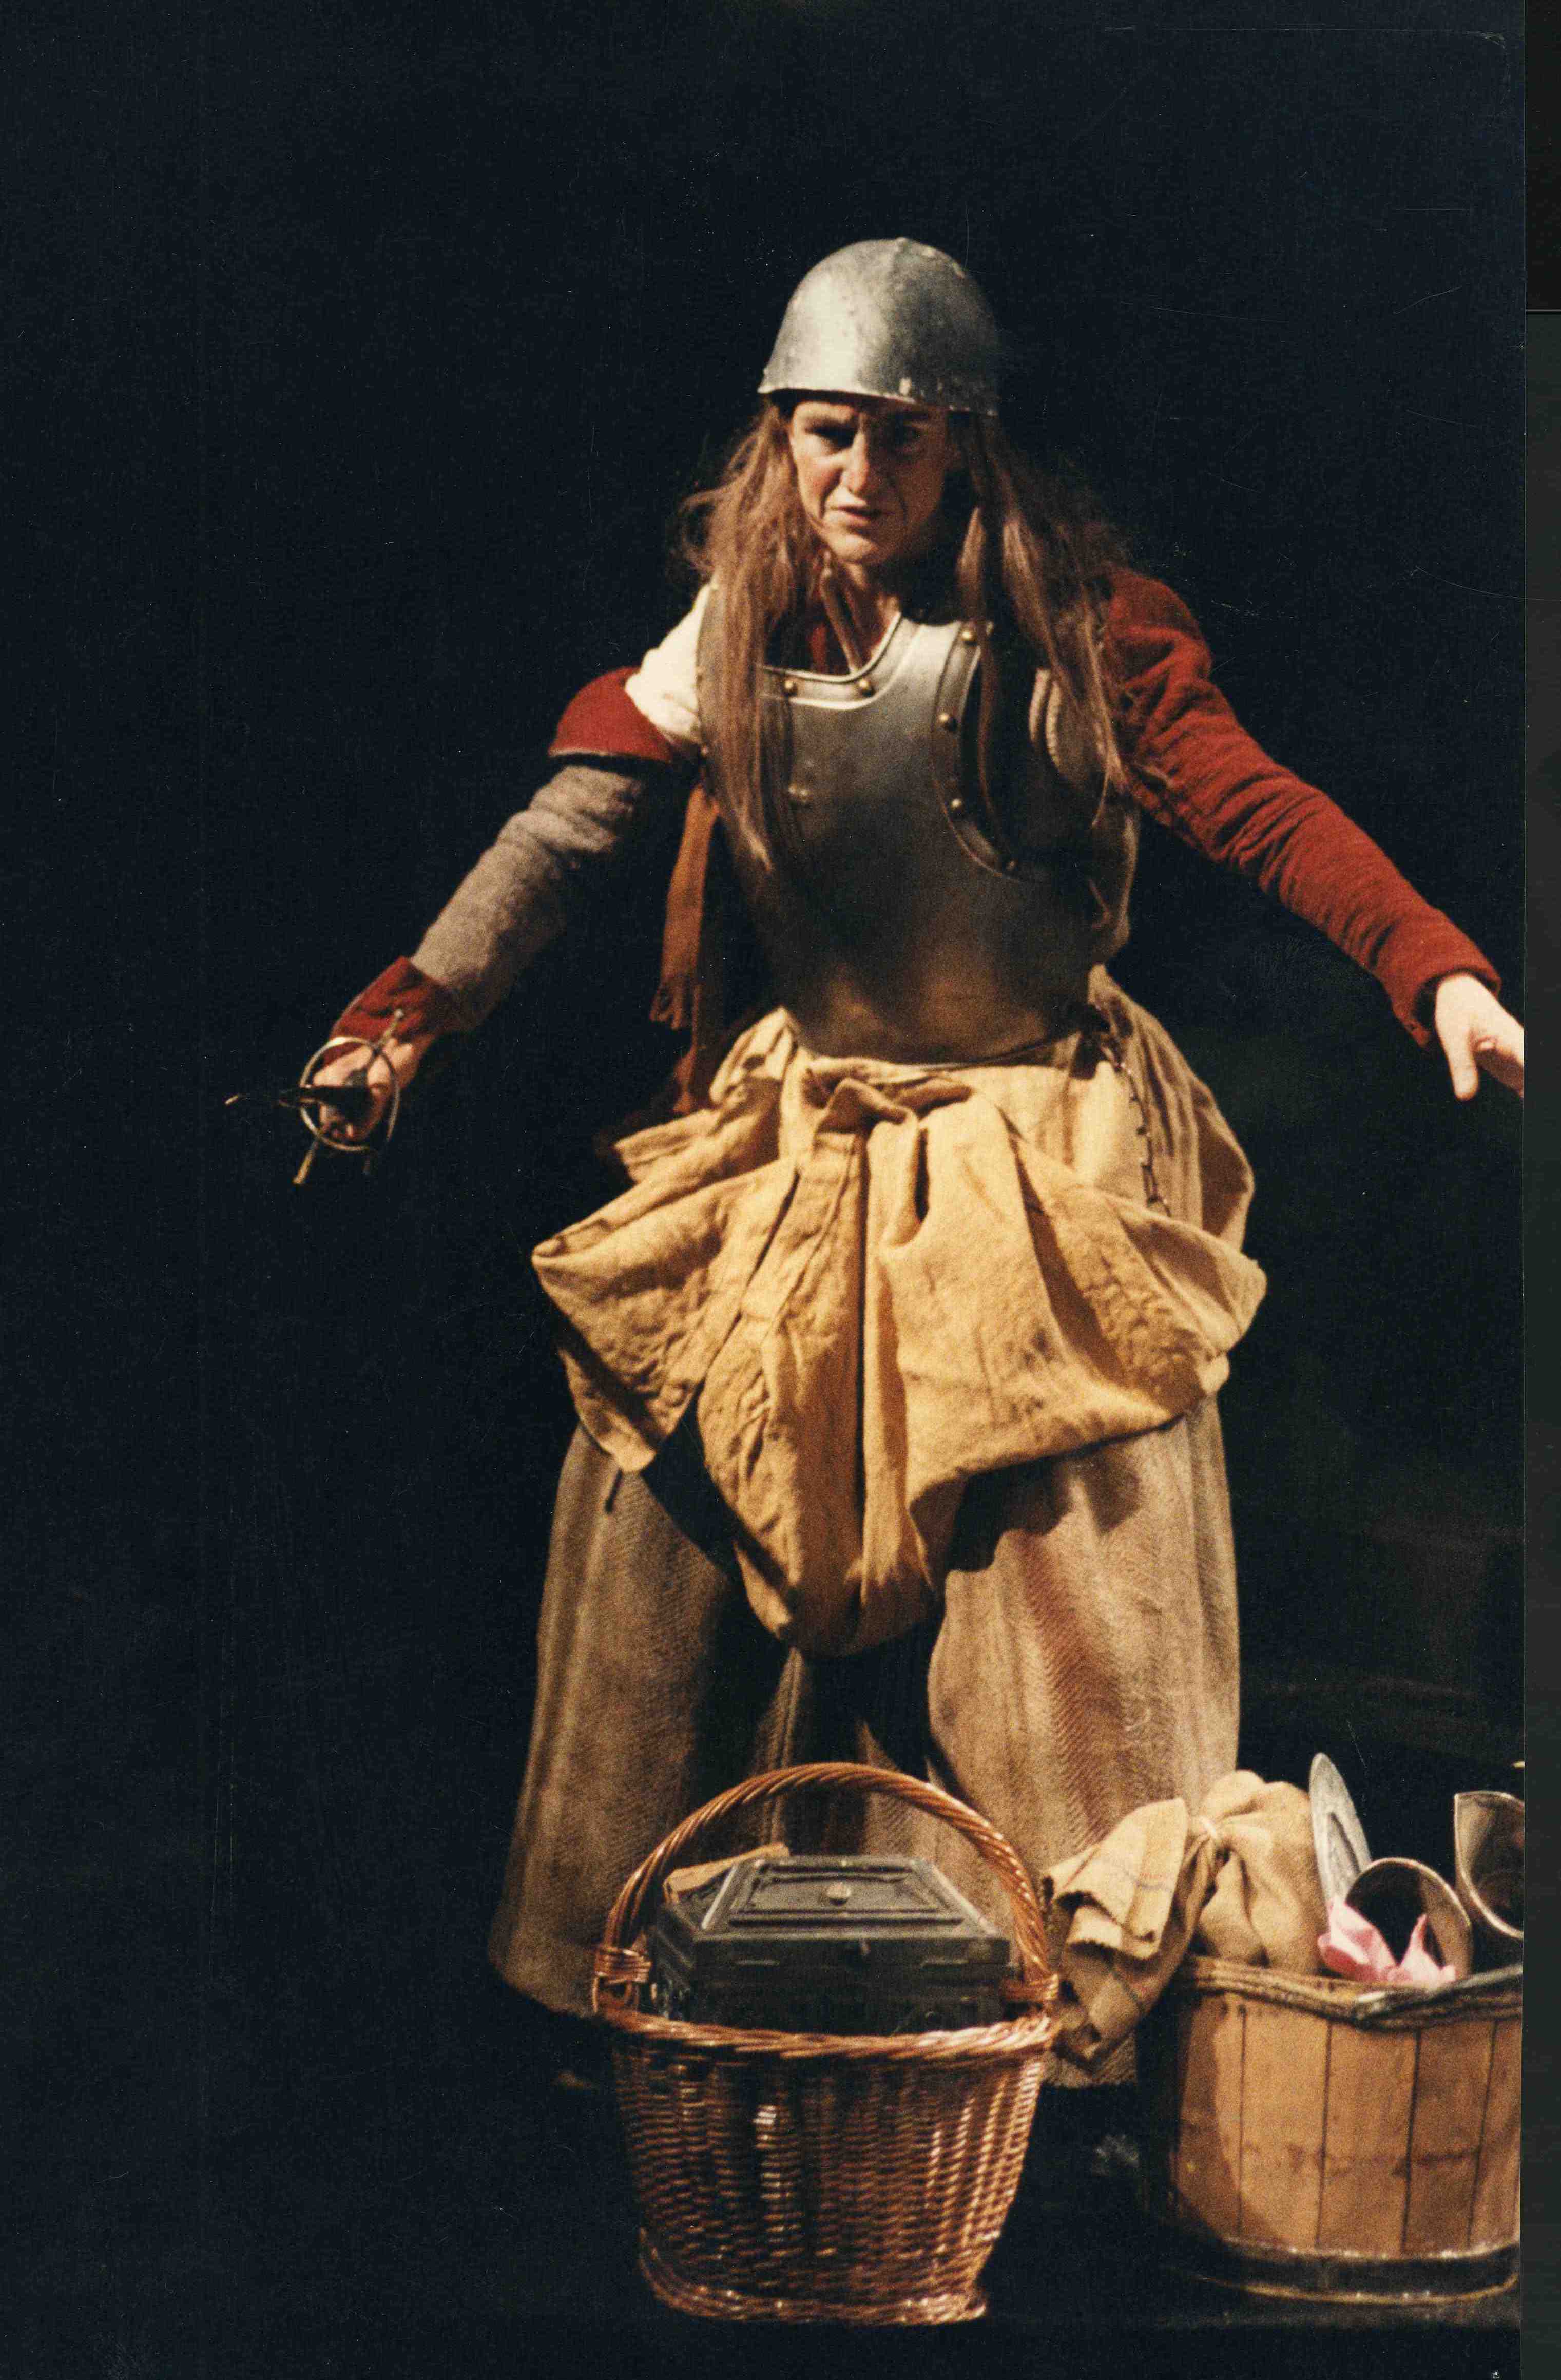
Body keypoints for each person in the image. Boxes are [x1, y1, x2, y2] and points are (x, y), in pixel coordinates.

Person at [308, 241, 1522, 2075]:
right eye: (825, 434)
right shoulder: (737, 630)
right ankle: (658, 1980)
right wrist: (409, 1009)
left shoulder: (1073, 630)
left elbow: (1253, 807)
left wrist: (1429, 963)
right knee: (669, 1517)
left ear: (965, 444)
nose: (858, 473)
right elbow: (568, 830)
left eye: (899, 435)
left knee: (1068, 1573)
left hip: (1026, 1140)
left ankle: (1065, 2011)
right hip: (811, 1119)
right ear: (777, 440)